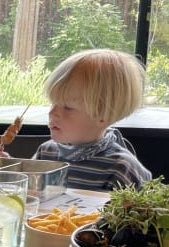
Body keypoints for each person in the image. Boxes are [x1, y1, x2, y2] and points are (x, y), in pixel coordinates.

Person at [33, 48, 152, 191]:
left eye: (67, 107)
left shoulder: (121, 167)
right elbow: (28, 194)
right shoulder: (46, 152)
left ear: (102, 116)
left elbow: (139, 211)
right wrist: (5, 167)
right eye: (53, 103)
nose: (52, 113)